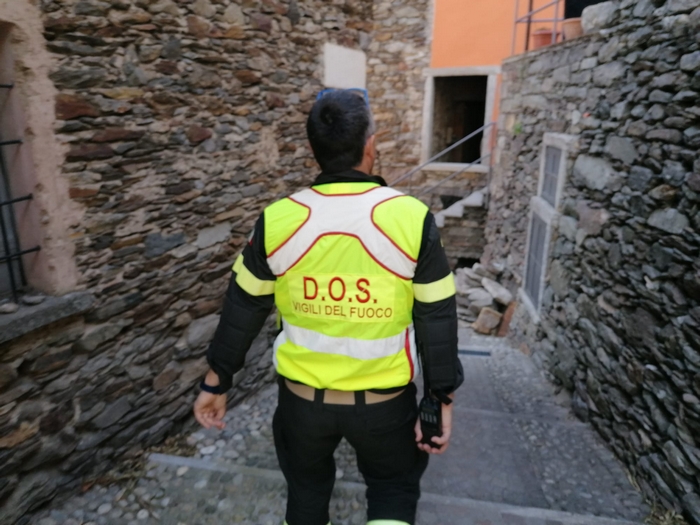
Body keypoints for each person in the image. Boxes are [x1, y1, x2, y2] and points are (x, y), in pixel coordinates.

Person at [193, 88, 463, 525]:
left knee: (306, 495)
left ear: (314, 148)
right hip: (385, 408)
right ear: (370, 145)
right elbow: (437, 316)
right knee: (392, 492)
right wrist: (440, 397)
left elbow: (242, 308)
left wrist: (216, 381)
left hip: (301, 407)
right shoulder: (411, 218)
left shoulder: (277, 219)